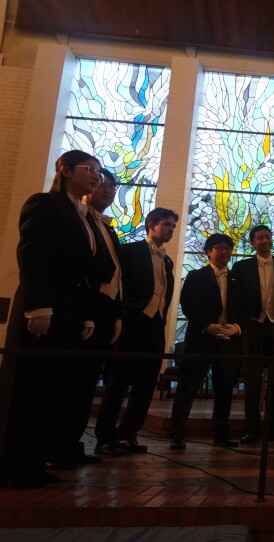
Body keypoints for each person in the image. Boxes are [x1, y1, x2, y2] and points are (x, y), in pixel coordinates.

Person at [0, 150, 101, 488]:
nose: (96, 177)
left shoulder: (81, 214)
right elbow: (32, 254)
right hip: (42, 308)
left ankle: (33, 462)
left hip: (69, 310)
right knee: (25, 389)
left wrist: (85, 315)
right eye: (90, 169)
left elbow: (83, 273)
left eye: (99, 172)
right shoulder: (44, 204)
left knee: (50, 389)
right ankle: (12, 466)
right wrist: (39, 306)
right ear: (65, 169)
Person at [52, 168, 124, 467]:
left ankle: (71, 444)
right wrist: (88, 314)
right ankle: (56, 447)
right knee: (68, 384)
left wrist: (118, 314)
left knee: (85, 386)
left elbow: (117, 276)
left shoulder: (107, 228)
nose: (108, 191)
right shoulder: (79, 220)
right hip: (84, 312)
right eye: (104, 185)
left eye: (113, 188)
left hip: (105, 314)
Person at [94, 207, 178, 456]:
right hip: (132, 321)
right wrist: (122, 315)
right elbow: (119, 284)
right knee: (119, 381)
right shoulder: (130, 250)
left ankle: (128, 434)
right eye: (166, 224)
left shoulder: (168, 260)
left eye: (173, 226)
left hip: (155, 325)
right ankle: (105, 436)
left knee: (146, 383)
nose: (170, 229)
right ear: (151, 225)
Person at [169, 233, 242, 451]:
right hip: (201, 338)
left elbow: (246, 307)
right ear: (208, 251)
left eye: (228, 248)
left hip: (228, 340)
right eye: (219, 247)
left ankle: (220, 435)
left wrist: (236, 327)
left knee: (224, 389)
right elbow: (188, 304)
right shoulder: (196, 276)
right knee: (188, 388)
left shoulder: (238, 280)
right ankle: (178, 434)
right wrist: (207, 326)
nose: (224, 252)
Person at [227, 225, 274, 444]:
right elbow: (236, 299)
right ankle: (252, 430)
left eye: (267, 237)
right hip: (252, 326)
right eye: (260, 238)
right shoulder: (241, 267)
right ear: (252, 242)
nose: (265, 241)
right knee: (252, 381)